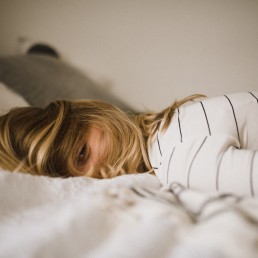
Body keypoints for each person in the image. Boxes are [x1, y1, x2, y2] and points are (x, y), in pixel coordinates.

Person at [0, 91, 257, 196]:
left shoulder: (176, 160)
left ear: (94, 113)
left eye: (81, 153)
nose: (94, 178)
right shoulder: (171, 123)